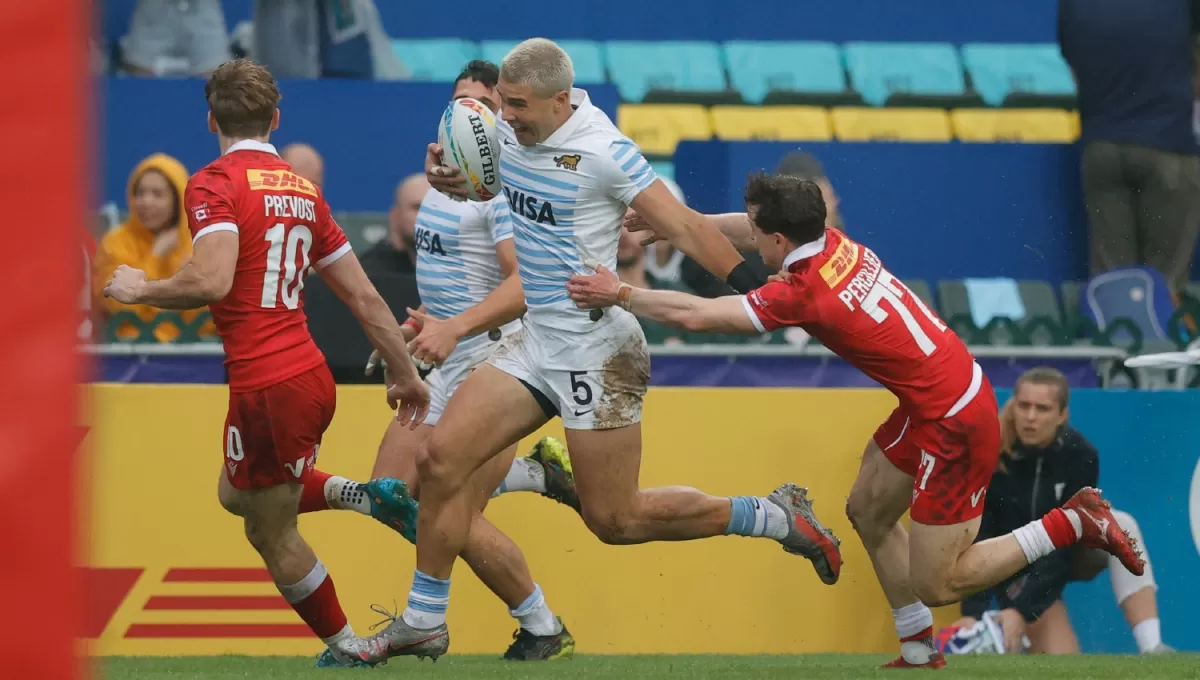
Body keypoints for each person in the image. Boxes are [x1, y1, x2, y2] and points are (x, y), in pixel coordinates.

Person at [366, 38, 844, 662]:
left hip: (599, 350)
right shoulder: (511, 130)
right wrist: (452, 178)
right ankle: (424, 619)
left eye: (518, 105)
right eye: (502, 105)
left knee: (616, 522)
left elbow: (687, 227)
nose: (506, 117)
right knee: (439, 461)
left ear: (561, 100)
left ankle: (778, 517)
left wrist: (760, 293)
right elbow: (490, 190)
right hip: (536, 341)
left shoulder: (604, 152)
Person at [576, 173, 1145, 669]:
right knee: (867, 511)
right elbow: (749, 231)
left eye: (755, 231)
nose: (747, 235)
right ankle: (919, 646)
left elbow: (697, 316)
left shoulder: (807, 294)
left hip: (953, 418)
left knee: (939, 580)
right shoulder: (833, 244)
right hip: (933, 394)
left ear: (778, 239)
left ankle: (1073, 522)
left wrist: (621, 292)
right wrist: (683, 224)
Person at [101, 59, 430, 667]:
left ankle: (350, 649)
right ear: (275, 119)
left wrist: (138, 288)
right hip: (305, 373)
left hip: (266, 385)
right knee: (235, 494)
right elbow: (362, 296)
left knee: (269, 531)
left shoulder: (213, 183)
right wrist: (405, 374)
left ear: (210, 120)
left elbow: (212, 278)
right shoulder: (303, 191)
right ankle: (365, 496)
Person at [298, 59, 580, 666]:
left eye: (483, 107)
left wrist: (454, 328)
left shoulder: (501, 193)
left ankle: (531, 623)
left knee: (443, 509)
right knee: (394, 495)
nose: (468, 119)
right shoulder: (440, 186)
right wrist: (417, 328)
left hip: (495, 363)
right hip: (443, 360)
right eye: (459, 105)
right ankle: (534, 479)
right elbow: (456, 281)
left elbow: (526, 283)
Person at [939, 367, 1170, 655]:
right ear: (1013, 406)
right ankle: (998, 638)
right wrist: (973, 615)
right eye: (1024, 406)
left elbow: (1065, 545)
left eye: (1043, 408)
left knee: (1121, 523)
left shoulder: (1081, 455)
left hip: (1065, 555)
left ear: (1062, 415)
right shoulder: (990, 452)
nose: (1031, 417)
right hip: (1004, 562)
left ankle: (1152, 648)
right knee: (1062, 663)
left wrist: (1020, 610)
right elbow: (978, 535)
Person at [1058, 0, 1200, 295]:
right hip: (1168, 147)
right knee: (1165, 284)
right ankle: (1164, 337)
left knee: (1113, 284)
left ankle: (1115, 333)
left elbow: (1074, 69)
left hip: (1102, 149)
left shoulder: (1075, 5)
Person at [93, 153, 214, 342]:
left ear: (178, 199)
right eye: (140, 193)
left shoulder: (198, 243)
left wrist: (190, 280)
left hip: (193, 357)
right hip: (129, 355)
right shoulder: (115, 243)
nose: (146, 202)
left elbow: (208, 321)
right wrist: (156, 256)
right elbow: (119, 308)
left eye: (158, 194)